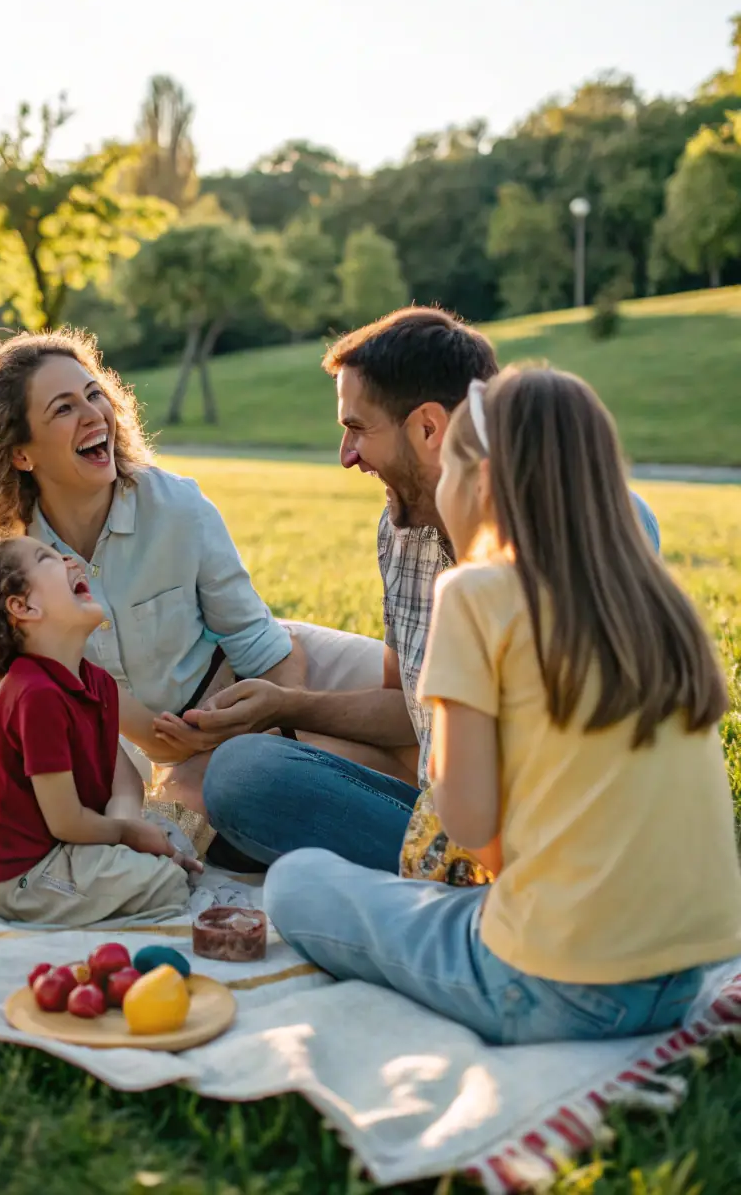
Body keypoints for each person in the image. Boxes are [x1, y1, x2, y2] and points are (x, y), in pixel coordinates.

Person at [265, 366, 741, 1046]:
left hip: (555, 984)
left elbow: (467, 821)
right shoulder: (657, 603)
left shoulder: (475, 593)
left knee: (297, 882)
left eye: (450, 468)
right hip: (685, 975)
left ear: (484, 483)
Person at [180, 308, 660, 872]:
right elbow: (409, 711)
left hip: (551, 848)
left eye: (357, 429)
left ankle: (437, 900)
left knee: (298, 884)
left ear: (428, 428)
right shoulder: (400, 532)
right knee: (243, 773)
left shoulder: (601, 525)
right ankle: (422, 886)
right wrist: (287, 706)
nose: (347, 456)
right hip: (440, 828)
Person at [0, 328, 387, 859]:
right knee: (189, 827)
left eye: (95, 395)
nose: (94, 415)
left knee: (411, 709)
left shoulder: (176, 507)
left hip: (253, 688)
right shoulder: (16, 563)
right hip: (157, 755)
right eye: (64, 409)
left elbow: (264, 648)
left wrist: (273, 729)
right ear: (22, 454)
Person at [0, 535, 200, 925]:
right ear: (24, 607)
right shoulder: (35, 695)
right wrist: (126, 836)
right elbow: (66, 820)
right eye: (47, 558)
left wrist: (130, 825)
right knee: (166, 884)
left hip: (68, 841)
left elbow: (124, 780)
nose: (72, 560)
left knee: (174, 844)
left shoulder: (95, 681)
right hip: (15, 872)